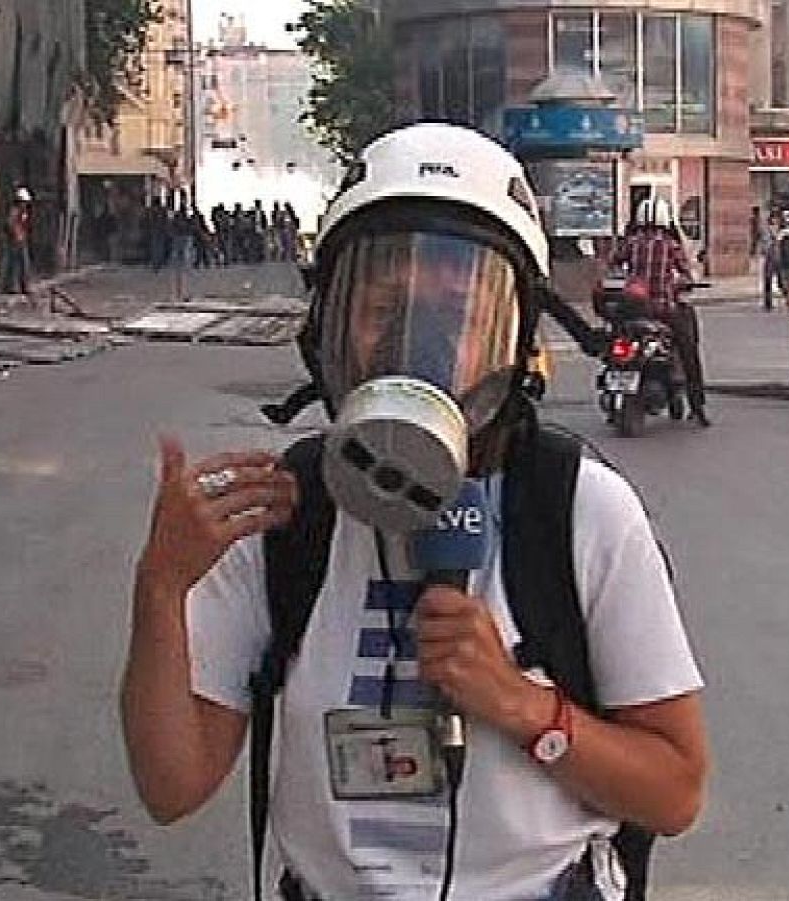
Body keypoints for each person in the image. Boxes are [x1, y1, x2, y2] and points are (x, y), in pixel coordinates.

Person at [122, 122, 708, 901]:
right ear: (326, 329)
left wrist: (519, 702)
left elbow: (674, 792)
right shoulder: (285, 518)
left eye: (455, 311)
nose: (416, 343)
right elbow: (173, 784)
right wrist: (160, 589)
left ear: (512, 339)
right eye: (384, 304)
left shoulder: (581, 512)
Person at [610, 197, 711, 427]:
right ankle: (697, 406)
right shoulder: (670, 245)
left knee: (613, 340)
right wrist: (681, 283)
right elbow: (686, 274)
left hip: (632, 310)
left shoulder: (631, 243)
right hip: (663, 310)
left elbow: (613, 264)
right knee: (689, 352)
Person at [1, 187, 34, 294]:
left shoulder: (23, 211)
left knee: (22, 264)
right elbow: (11, 224)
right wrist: (16, 235)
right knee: (15, 264)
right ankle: (12, 286)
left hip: (20, 239)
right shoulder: (15, 211)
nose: (25, 204)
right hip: (15, 240)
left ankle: (22, 286)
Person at [759, 210, 782, 311]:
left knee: (782, 280)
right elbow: (765, 243)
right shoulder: (766, 230)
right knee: (768, 280)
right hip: (770, 256)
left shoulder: (781, 229)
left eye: (776, 218)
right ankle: (768, 302)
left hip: (780, 256)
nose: (775, 220)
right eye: (773, 218)